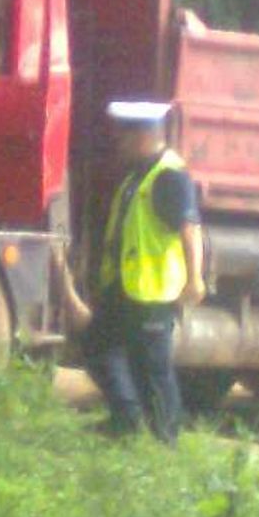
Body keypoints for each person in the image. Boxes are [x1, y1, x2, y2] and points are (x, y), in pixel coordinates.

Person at [85, 98, 205, 444]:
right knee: (97, 344)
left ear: (145, 136)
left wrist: (195, 278)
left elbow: (190, 227)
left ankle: (165, 443)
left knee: (153, 370)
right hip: (125, 287)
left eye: (124, 136)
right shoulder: (138, 176)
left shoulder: (168, 176)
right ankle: (126, 420)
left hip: (153, 292)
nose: (119, 143)